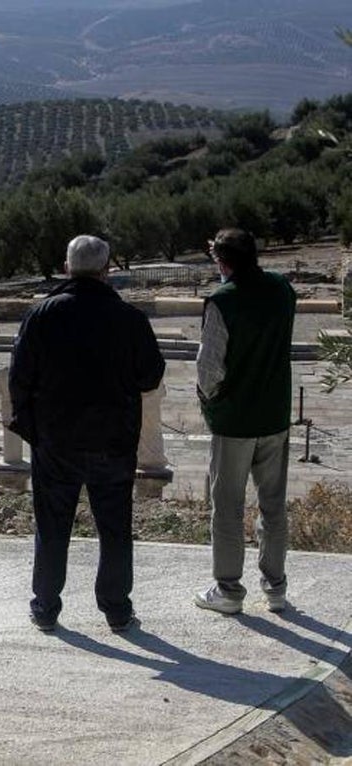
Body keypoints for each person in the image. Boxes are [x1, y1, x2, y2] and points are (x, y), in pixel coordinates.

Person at [9, 235, 165, 633]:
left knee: (52, 525)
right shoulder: (130, 319)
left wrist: (34, 433)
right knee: (114, 528)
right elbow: (151, 376)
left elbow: (19, 380)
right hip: (113, 441)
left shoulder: (41, 315)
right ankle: (116, 609)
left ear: (66, 267)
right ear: (107, 270)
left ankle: (45, 608)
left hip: (56, 441)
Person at [194, 228, 296, 615]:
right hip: (274, 414)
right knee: (273, 504)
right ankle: (276, 586)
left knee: (228, 505)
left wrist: (208, 402)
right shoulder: (282, 290)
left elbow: (209, 367)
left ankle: (229, 589)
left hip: (235, 420)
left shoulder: (223, 301)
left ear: (222, 261)